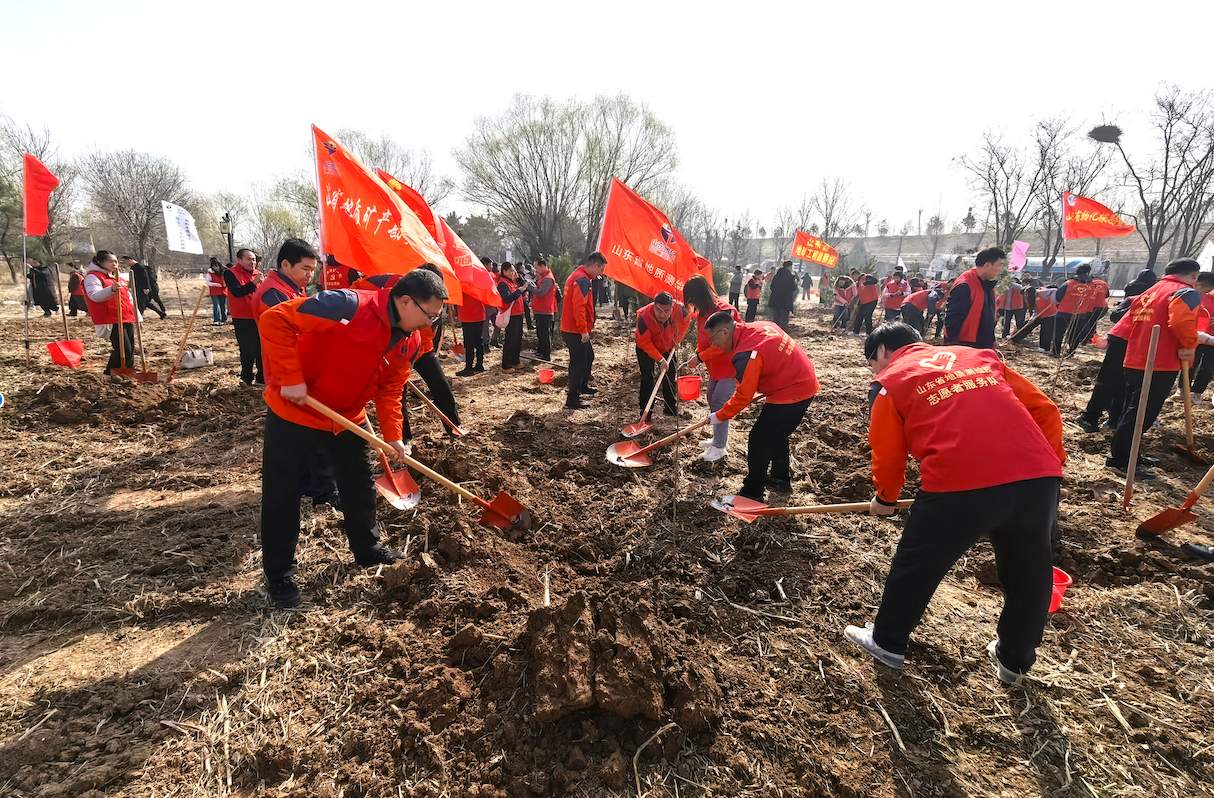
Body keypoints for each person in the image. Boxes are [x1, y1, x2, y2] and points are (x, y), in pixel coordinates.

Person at [844, 322, 1064, 685]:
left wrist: (885, 497)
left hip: (958, 480)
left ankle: (887, 642)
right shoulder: (979, 357)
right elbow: (1046, 410)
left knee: (918, 563)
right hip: (1037, 478)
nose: (874, 371)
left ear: (882, 351)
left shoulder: (890, 383)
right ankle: (1015, 661)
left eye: (872, 364)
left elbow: (888, 454)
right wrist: (1050, 466)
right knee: (1029, 572)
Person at [257, 268, 447, 607]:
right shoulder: (345, 306)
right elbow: (275, 320)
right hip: (295, 412)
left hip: (346, 418)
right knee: (282, 495)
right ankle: (280, 576)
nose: (428, 324)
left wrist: (394, 437)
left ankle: (367, 549)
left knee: (358, 485)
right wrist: (290, 376)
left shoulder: (410, 339)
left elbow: (391, 388)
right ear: (405, 301)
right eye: (428, 315)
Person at [252, 238, 339, 509]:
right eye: (305, 268)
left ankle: (309, 483)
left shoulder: (291, 289)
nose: (309, 275)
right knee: (316, 431)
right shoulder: (272, 294)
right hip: (287, 374)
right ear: (285, 264)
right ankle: (322, 489)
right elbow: (292, 333)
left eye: (313, 269)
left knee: (303, 433)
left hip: (299, 371)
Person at [705, 313, 819, 501]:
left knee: (759, 438)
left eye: (713, 339)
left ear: (724, 332)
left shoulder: (747, 353)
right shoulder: (756, 327)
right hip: (801, 380)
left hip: (792, 389)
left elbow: (743, 396)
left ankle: (752, 492)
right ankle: (780, 478)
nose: (713, 345)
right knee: (776, 433)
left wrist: (719, 416)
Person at [1106, 258, 1201, 479]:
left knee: (1132, 410)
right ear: (1193, 276)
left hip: (1136, 357)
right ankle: (1122, 460)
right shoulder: (1184, 292)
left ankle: (1130, 454)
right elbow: (1180, 322)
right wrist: (1188, 346)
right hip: (1159, 362)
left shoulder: (1151, 291)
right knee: (1142, 414)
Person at [684, 274, 740, 462]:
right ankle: (718, 438)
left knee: (719, 402)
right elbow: (704, 340)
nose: (693, 305)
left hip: (730, 366)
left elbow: (722, 344)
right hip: (715, 367)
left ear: (701, 296)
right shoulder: (703, 313)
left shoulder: (725, 311)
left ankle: (719, 447)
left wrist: (699, 357)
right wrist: (697, 354)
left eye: (693, 300)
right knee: (711, 399)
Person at [635, 291, 692, 421]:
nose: (662, 315)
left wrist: (677, 339)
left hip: (667, 345)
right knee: (648, 379)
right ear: (653, 306)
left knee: (670, 375)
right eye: (658, 310)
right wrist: (660, 359)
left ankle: (670, 408)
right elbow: (644, 342)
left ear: (672, 307)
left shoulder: (681, 310)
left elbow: (686, 320)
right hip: (646, 348)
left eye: (666, 311)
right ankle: (645, 414)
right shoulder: (644, 317)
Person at [560, 252, 606, 409]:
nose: (601, 274)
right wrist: (583, 331)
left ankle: (582, 386)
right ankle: (572, 399)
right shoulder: (582, 279)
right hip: (575, 330)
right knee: (578, 363)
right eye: (601, 269)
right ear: (595, 265)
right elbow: (578, 307)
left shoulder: (578, 274)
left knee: (588, 356)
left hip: (572, 328)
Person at [82, 250, 138, 375]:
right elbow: (94, 296)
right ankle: (110, 373)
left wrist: (136, 314)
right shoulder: (93, 277)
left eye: (116, 261)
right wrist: (111, 289)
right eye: (110, 261)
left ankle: (127, 373)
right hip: (110, 317)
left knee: (130, 349)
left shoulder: (118, 277)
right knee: (123, 348)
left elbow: (128, 297)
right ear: (100, 262)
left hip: (126, 316)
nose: (114, 264)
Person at [945, 247, 1004, 349]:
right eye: (999, 265)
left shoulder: (988, 286)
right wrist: (953, 346)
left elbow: (987, 316)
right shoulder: (965, 285)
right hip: (966, 345)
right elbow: (953, 319)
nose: (1001, 269)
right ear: (987, 265)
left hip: (983, 343)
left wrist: (992, 339)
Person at [225, 248, 263, 385]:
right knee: (247, 349)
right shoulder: (230, 273)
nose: (252, 262)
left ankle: (261, 378)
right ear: (239, 260)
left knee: (261, 348)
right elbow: (237, 292)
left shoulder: (258, 274)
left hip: (259, 316)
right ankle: (246, 378)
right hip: (242, 317)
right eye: (248, 259)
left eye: (253, 259)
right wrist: (253, 284)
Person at [1051, 263, 1094, 356]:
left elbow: (1057, 297)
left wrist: (1058, 305)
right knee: (1074, 335)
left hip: (1063, 312)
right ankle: (1070, 352)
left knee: (1058, 333)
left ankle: (1055, 352)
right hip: (1080, 315)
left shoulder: (1068, 283)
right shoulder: (1091, 286)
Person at [497, 262, 527, 370]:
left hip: (518, 314)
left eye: (514, 270)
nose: (513, 272)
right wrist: (519, 291)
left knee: (517, 338)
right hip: (512, 315)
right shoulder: (502, 284)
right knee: (510, 339)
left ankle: (515, 361)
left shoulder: (512, 282)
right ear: (504, 271)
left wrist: (522, 289)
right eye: (511, 270)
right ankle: (506, 365)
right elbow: (507, 298)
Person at [1189, 272, 1214, 398]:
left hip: (1213, 340)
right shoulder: (1201, 296)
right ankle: (1182, 389)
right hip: (1197, 336)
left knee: (1208, 367)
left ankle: (1197, 392)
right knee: (1191, 363)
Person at [122, 256, 167, 320]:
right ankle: (161, 313)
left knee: (141, 304)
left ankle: (139, 318)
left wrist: (146, 287)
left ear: (129, 260)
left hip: (142, 288)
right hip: (138, 288)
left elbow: (145, 278)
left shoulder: (140, 267)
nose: (125, 263)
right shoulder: (134, 268)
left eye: (125, 261)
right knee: (145, 303)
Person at [530, 260, 558, 359]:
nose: (535, 270)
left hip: (545, 311)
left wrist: (529, 287)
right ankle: (541, 351)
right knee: (540, 333)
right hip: (540, 310)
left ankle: (546, 355)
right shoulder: (543, 277)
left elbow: (541, 293)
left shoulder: (548, 279)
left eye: (536, 267)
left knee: (544, 334)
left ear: (543, 266)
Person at [455, 291, 487, 376]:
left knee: (469, 344)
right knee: (478, 342)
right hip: (479, 314)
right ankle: (479, 365)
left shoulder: (463, 285)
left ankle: (469, 368)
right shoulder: (479, 283)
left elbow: (456, 297)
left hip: (468, 316)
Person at [768, 260, 798, 331]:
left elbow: (771, 287)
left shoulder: (777, 275)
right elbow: (793, 288)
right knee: (784, 319)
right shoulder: (790, 277)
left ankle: (775, 333)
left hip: (775, 300)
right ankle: (783, 335)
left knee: (776, 319)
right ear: (789, 267)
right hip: (785, 301)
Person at [1034, 285, 1059, 352]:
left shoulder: (1044, 292)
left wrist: (1053, 302)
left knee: (1047, 332)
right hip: (1042, 315)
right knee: (1043, 331)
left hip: (1051, 315)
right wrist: (1034, 316)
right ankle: (1042, 347)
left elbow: (1055, 290)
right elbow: (1035, 308)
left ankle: (1046, 348)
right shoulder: (1034, 297)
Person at [207, 257, 229, 324]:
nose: (216, 268)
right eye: (214, 266)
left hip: (223, 290)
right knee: (216, 305)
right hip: (214, 291)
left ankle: (224, 319)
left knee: (222, 305)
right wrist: (216, 284)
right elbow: (207, 282)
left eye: (216, 266)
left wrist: (226, 283)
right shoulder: (210, 272)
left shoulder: (224, 271)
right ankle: (217, 320)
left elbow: (228, 279)